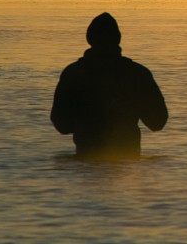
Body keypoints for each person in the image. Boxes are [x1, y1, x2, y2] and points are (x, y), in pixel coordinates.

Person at [50, 12, 168, 159]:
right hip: (128, 163)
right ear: (118, 39)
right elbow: (157, 122)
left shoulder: (74, 73)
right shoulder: (137, 73)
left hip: (85, 166)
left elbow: (62, 125)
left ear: (90, 39)